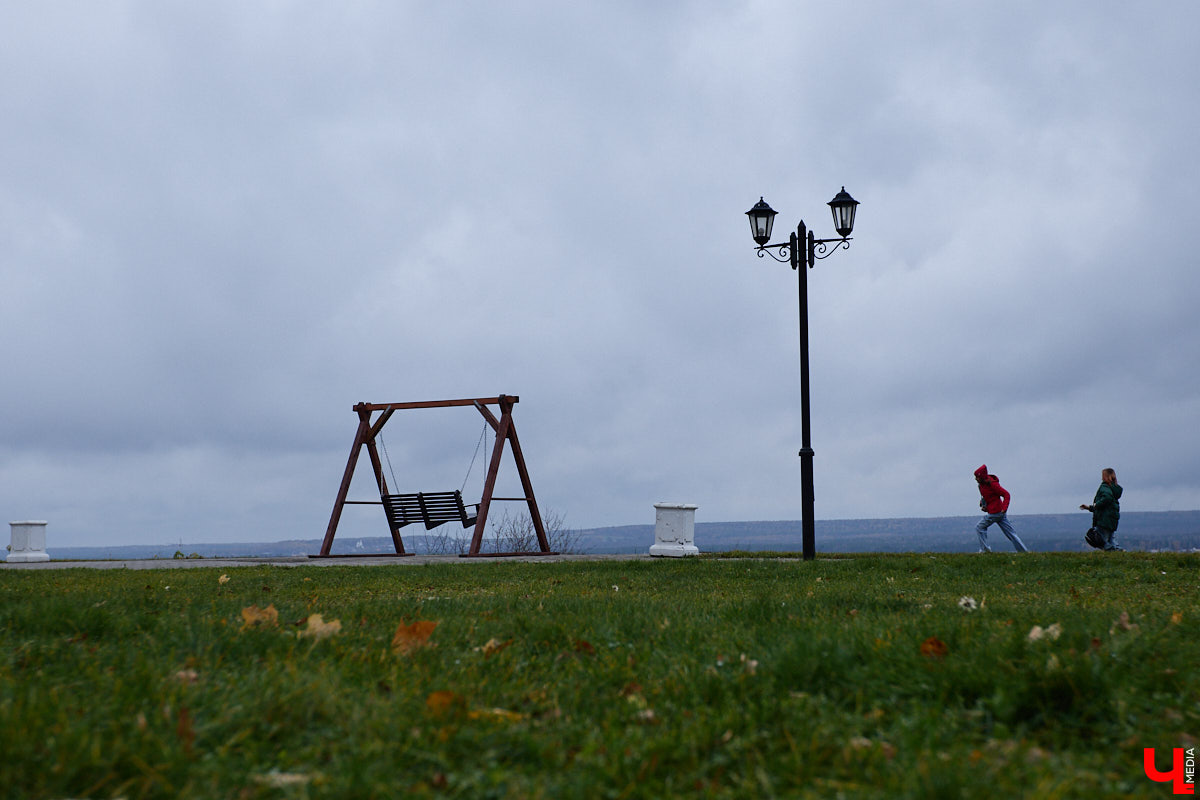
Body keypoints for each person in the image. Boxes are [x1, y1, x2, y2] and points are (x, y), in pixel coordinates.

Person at [973, 464, 1028, 552]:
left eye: (977, 477)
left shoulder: (992, 484)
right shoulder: (981, 485)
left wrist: (1004, 508)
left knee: (979, 527)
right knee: (1011, 533)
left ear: (982, 476)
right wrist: (984, 504)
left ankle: (985, 550)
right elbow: (989, 496)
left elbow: (1006, 494)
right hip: (999, 513)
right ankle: (1023, 551)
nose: (976, 479)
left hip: (996, 513)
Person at [1081, 468, 1123, 551]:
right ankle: (1119, 551)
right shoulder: (1114, 489)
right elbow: (1106, 506)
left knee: (1101, 540)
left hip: (1104, 519)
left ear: (1105, 477)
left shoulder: (1105, 487)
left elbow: (1106, 499)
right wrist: (1089, 508)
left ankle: (1113, 551)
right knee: (1111, 538)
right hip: (1112, 519)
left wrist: (1096, 504)